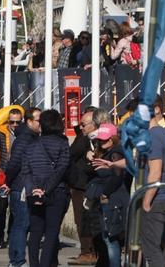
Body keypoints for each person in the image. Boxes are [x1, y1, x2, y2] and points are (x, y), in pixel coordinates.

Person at [24, 109, 70, 267]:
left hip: (35, 192)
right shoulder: (62, 143)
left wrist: (33, 191)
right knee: (51, 232)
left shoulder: (31, 146)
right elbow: (61, 169)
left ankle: (34, 264)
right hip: (56, 192)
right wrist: (46, 190)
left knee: (35, 232)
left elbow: (26, 171)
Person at [140, 97, 165, 267]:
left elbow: (155, 172)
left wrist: (146, 202)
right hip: (164, 198)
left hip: (157, 200)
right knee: (159, 248)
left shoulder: (153, 136)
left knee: (151, 250)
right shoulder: (161, 133)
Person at [87, 123, 130, 266]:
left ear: (113, 138)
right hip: (110, 201)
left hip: (114, 201)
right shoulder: (108, 153)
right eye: (101, 139)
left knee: (111, 239)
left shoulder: (116, 153)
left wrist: (105, 193)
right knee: (109, 238)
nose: (102, 142)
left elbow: (117, 176)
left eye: (106, 139)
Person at [3, 107, 41, 267]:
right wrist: (9, 182)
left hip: (25, 185)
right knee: (22, 223)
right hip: (20, 186)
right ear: (30, 121)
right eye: (38, 120)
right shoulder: (25, 138)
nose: (41, 123)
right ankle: (17, 260)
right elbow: (14, 163)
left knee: (22, 223)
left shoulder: (32, 137)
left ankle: (16, 259)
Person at [66, 108, 103, 265]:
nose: (80, 128)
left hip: (84, 184)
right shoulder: (86, 138)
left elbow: (71, 153)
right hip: (83, 183)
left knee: (83, 219)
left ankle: (88, 252)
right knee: (84, 219)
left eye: (83, 124)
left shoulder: (86, 139)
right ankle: (90, 251)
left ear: (93, 124)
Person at [0, 108, 25, 250]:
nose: (15, 125)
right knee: (0, 207)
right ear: (8, 121)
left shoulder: (24, 135)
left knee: (15, 208)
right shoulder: (0, 134)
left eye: (18, 122)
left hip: (18, 176)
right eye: (12, 122)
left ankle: (11, 236)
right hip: (3, 175)